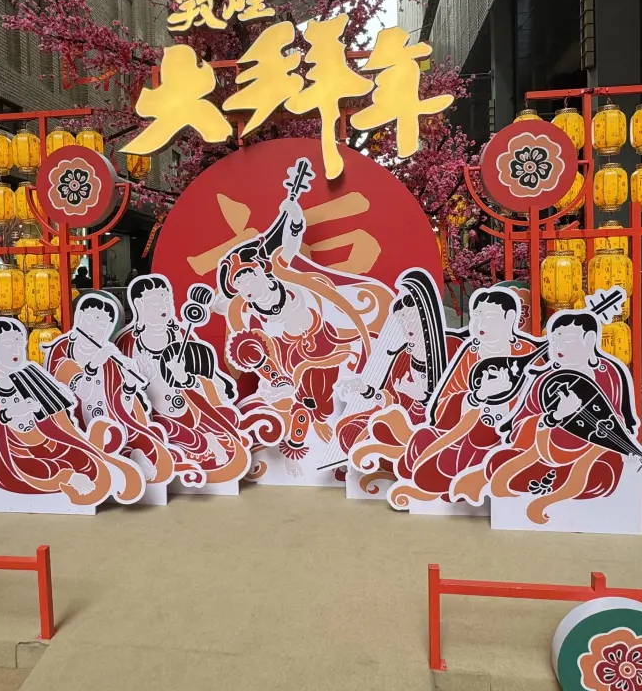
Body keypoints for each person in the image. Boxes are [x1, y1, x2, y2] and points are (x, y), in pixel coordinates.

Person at [217, 159, 393, 474]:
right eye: (238, 284)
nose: (245, 287)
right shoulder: (244, 311)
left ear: (263, 271)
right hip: (292, 370)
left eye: (248, 277)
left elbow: (290, 242)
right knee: (289, 404)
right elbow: (245, 344)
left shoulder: (286, 273)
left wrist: (295, 217)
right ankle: (293, 453)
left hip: (335, 347)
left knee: (339, 400)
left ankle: (341, 450)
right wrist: (277, 378)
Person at [348, 286, 539, 509]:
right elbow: (445, 401)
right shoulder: (469, 353)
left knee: (442, 465)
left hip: (506, 436)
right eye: (476, 317)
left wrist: (504, 406)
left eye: (489, 317)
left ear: (510, 317)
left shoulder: (527, 353)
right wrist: (476, 397)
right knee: (420, 444)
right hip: (464, 431)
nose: (480, 324)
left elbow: (537, 405)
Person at [452, 311, 638, 525]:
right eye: (555, 340)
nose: (560, 347)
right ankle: (542, 488)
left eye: (567, 340)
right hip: (544, 451)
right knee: (499, 461)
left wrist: (625, 444)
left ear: (589, 339)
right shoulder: (544, 379)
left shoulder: (610, 373)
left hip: (591, 455)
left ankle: (546, 490)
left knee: (602, 475)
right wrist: (553, 418)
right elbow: (520, 423)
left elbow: (622, 418)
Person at [0, 317, 145, 511]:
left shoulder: (29, 373)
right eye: (8, 344)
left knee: (84, 459)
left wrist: (60, 401)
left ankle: (89, 471)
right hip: (11, 454)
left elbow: (60, 422)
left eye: (19, 343)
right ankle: (66, 478)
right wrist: (8, 414)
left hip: (46, 441)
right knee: (38, 468)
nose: (16, 350)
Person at [44, 292, 204, 488]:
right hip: (76, 426)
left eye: (102, 324)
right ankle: (120, 460)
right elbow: (81, 393)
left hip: (110, 423)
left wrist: (128, 385)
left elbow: (122, 407)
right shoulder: (64, 350)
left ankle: (130, 455)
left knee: (151, 443)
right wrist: (93, 365)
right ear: (79, 320)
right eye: (89, 320)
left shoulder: (110, 357)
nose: (94, 328)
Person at [116, 275, 257, 486]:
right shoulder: (127, 342)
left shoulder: (181, 335)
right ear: (139, 305)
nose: (163, 306)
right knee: (147, 437)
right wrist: (140, 381)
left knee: (212, 443)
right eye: (154, 301)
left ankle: (196, 445)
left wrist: (186, 379)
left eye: (166, 299)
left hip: (189, 412)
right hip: (149, 417)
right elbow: (115, 391)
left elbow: (211, 382)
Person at [328, 270, 463, 491]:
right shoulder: (403, 356)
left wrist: (424, 397)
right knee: (348, 426)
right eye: (401, 320)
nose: (406, 326)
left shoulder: (450, 347)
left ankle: (399, 471)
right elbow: (390, 397)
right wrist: (364, 388)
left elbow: (459, 395)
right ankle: (371, 470)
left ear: (426, 317)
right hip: (399, 416)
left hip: (433, 422)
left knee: (382, 430)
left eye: (411, 318)